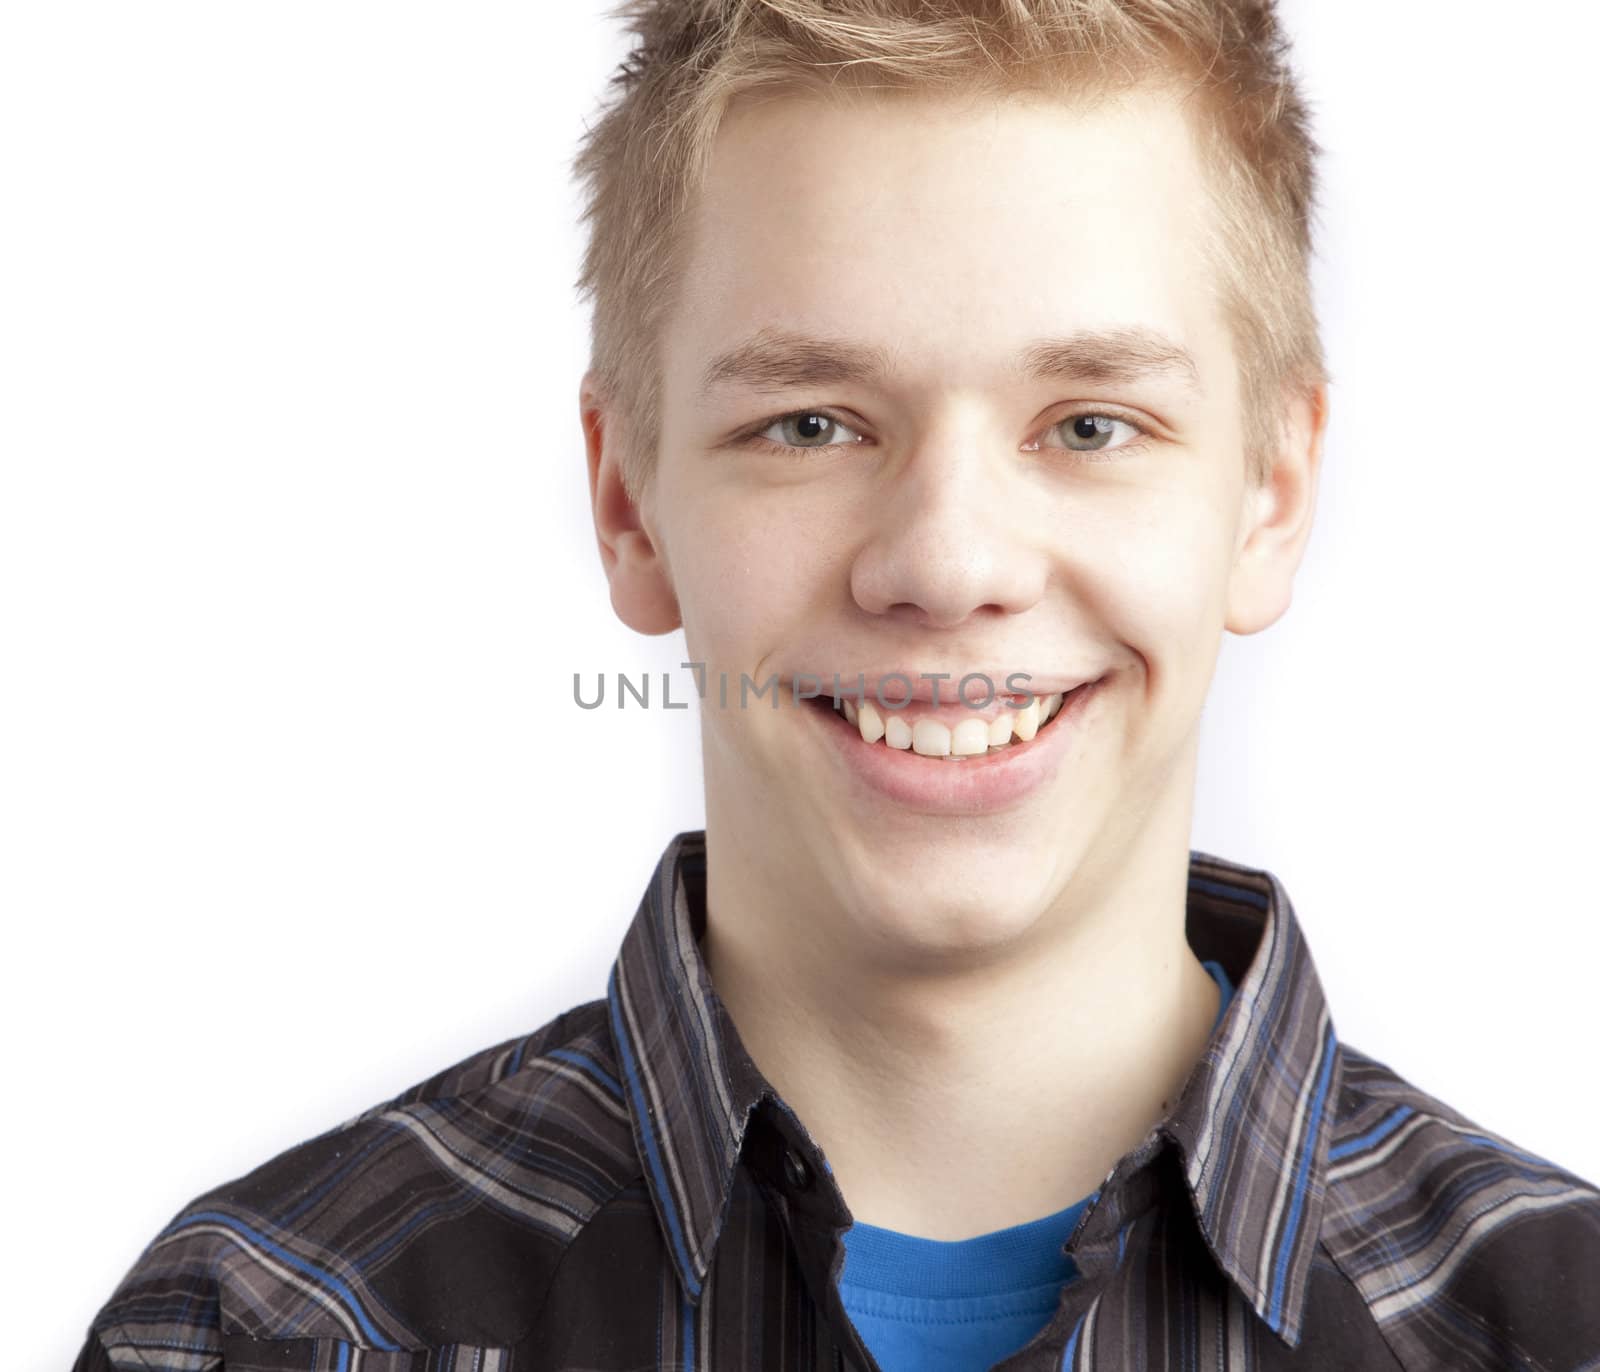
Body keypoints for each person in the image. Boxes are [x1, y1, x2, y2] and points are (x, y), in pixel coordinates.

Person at [73, 1, 1600, 1368]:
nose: (946, 564)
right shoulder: (263, 1331)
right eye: (811, 425)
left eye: (1088, 425)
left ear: (1268, 495)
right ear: (628, 506)